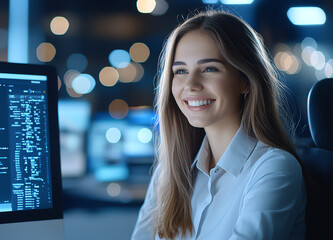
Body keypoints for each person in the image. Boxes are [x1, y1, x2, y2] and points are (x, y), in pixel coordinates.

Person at [131, 10, 306, 240]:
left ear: (245, 79)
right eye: (181, 71)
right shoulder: (169, 173)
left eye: (209, 69)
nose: (191, 84)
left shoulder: (273, 170)